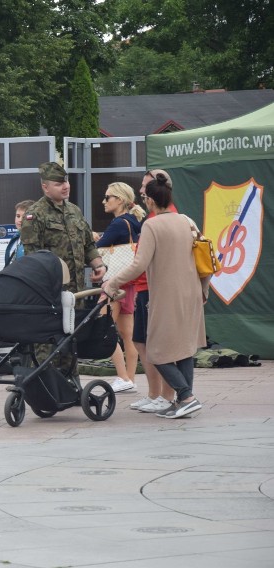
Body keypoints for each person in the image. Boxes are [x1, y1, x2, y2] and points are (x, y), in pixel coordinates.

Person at [103, 172, 207, 419]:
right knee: (183, 349)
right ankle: (185, 399)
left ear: (149, 201)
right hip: (190, 292)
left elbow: (139, 265)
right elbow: (205, 255)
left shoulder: (152, 225)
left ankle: (186, 395)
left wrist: (112, 282)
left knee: (156, 350)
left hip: (165, 294)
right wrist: (204, 288)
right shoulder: (186, 221)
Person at [19, 162, 106, 377]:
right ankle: (45, 384)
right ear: (45, 187)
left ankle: (70, 385)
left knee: (72, 337)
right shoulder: (35, 215)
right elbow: (33, 258)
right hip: (51, 292)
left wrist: (98, 265)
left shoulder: (74, 211)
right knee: (49, 341)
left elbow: (88, 245)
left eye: (66, 181)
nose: (65, 186)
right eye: (59, 184)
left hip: (76, 291)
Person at [128, 169, 178, 413]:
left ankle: (168, 396)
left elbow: (142, 262)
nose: (141, 191)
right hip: (143, 288)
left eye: (146, 187)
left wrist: (116, 282)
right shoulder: (152, 218)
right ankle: (155, 394)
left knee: (160, 345)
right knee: (141, 341)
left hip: (154, 289)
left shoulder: (165, 218)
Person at [93, 182, 145, 394]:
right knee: (128, 333)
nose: (104, 201)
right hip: (129, 283)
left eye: (108, 197)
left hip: (114, 283)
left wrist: (94, 237)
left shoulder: (117, 224)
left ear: (120, 200)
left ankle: (122, 377)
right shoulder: (133, 222)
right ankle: (130, 379)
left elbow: (97, 248)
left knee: (103, 328)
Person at [4, 199, 35, 266]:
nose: (20, 220)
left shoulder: (37, 239)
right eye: (18, 216)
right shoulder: (16, 237)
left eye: (24, 217)